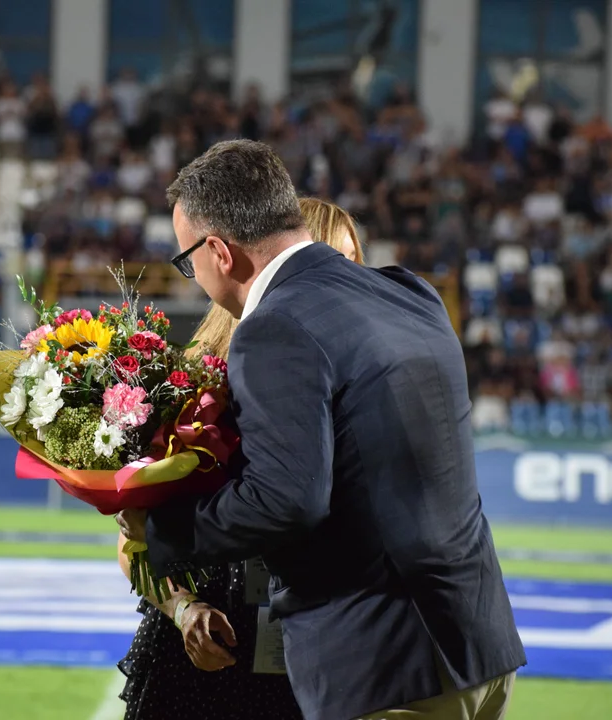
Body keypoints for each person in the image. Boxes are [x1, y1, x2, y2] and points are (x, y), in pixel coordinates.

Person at [117, 140, 526, 720]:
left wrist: (161, 531)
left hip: (386, 665)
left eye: (188, 261)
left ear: (219, 251)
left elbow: (288, 501)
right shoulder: (410, 292)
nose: (194, 276)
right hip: (480, 644)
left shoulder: (273, 327)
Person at [116, 198, 364, 720]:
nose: (347, 281)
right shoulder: (194, 386)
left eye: (353, 263)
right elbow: (132, 539)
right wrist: (184, 610)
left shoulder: (364, 388)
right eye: (333, 262)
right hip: (200, 664)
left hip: (316, 658)